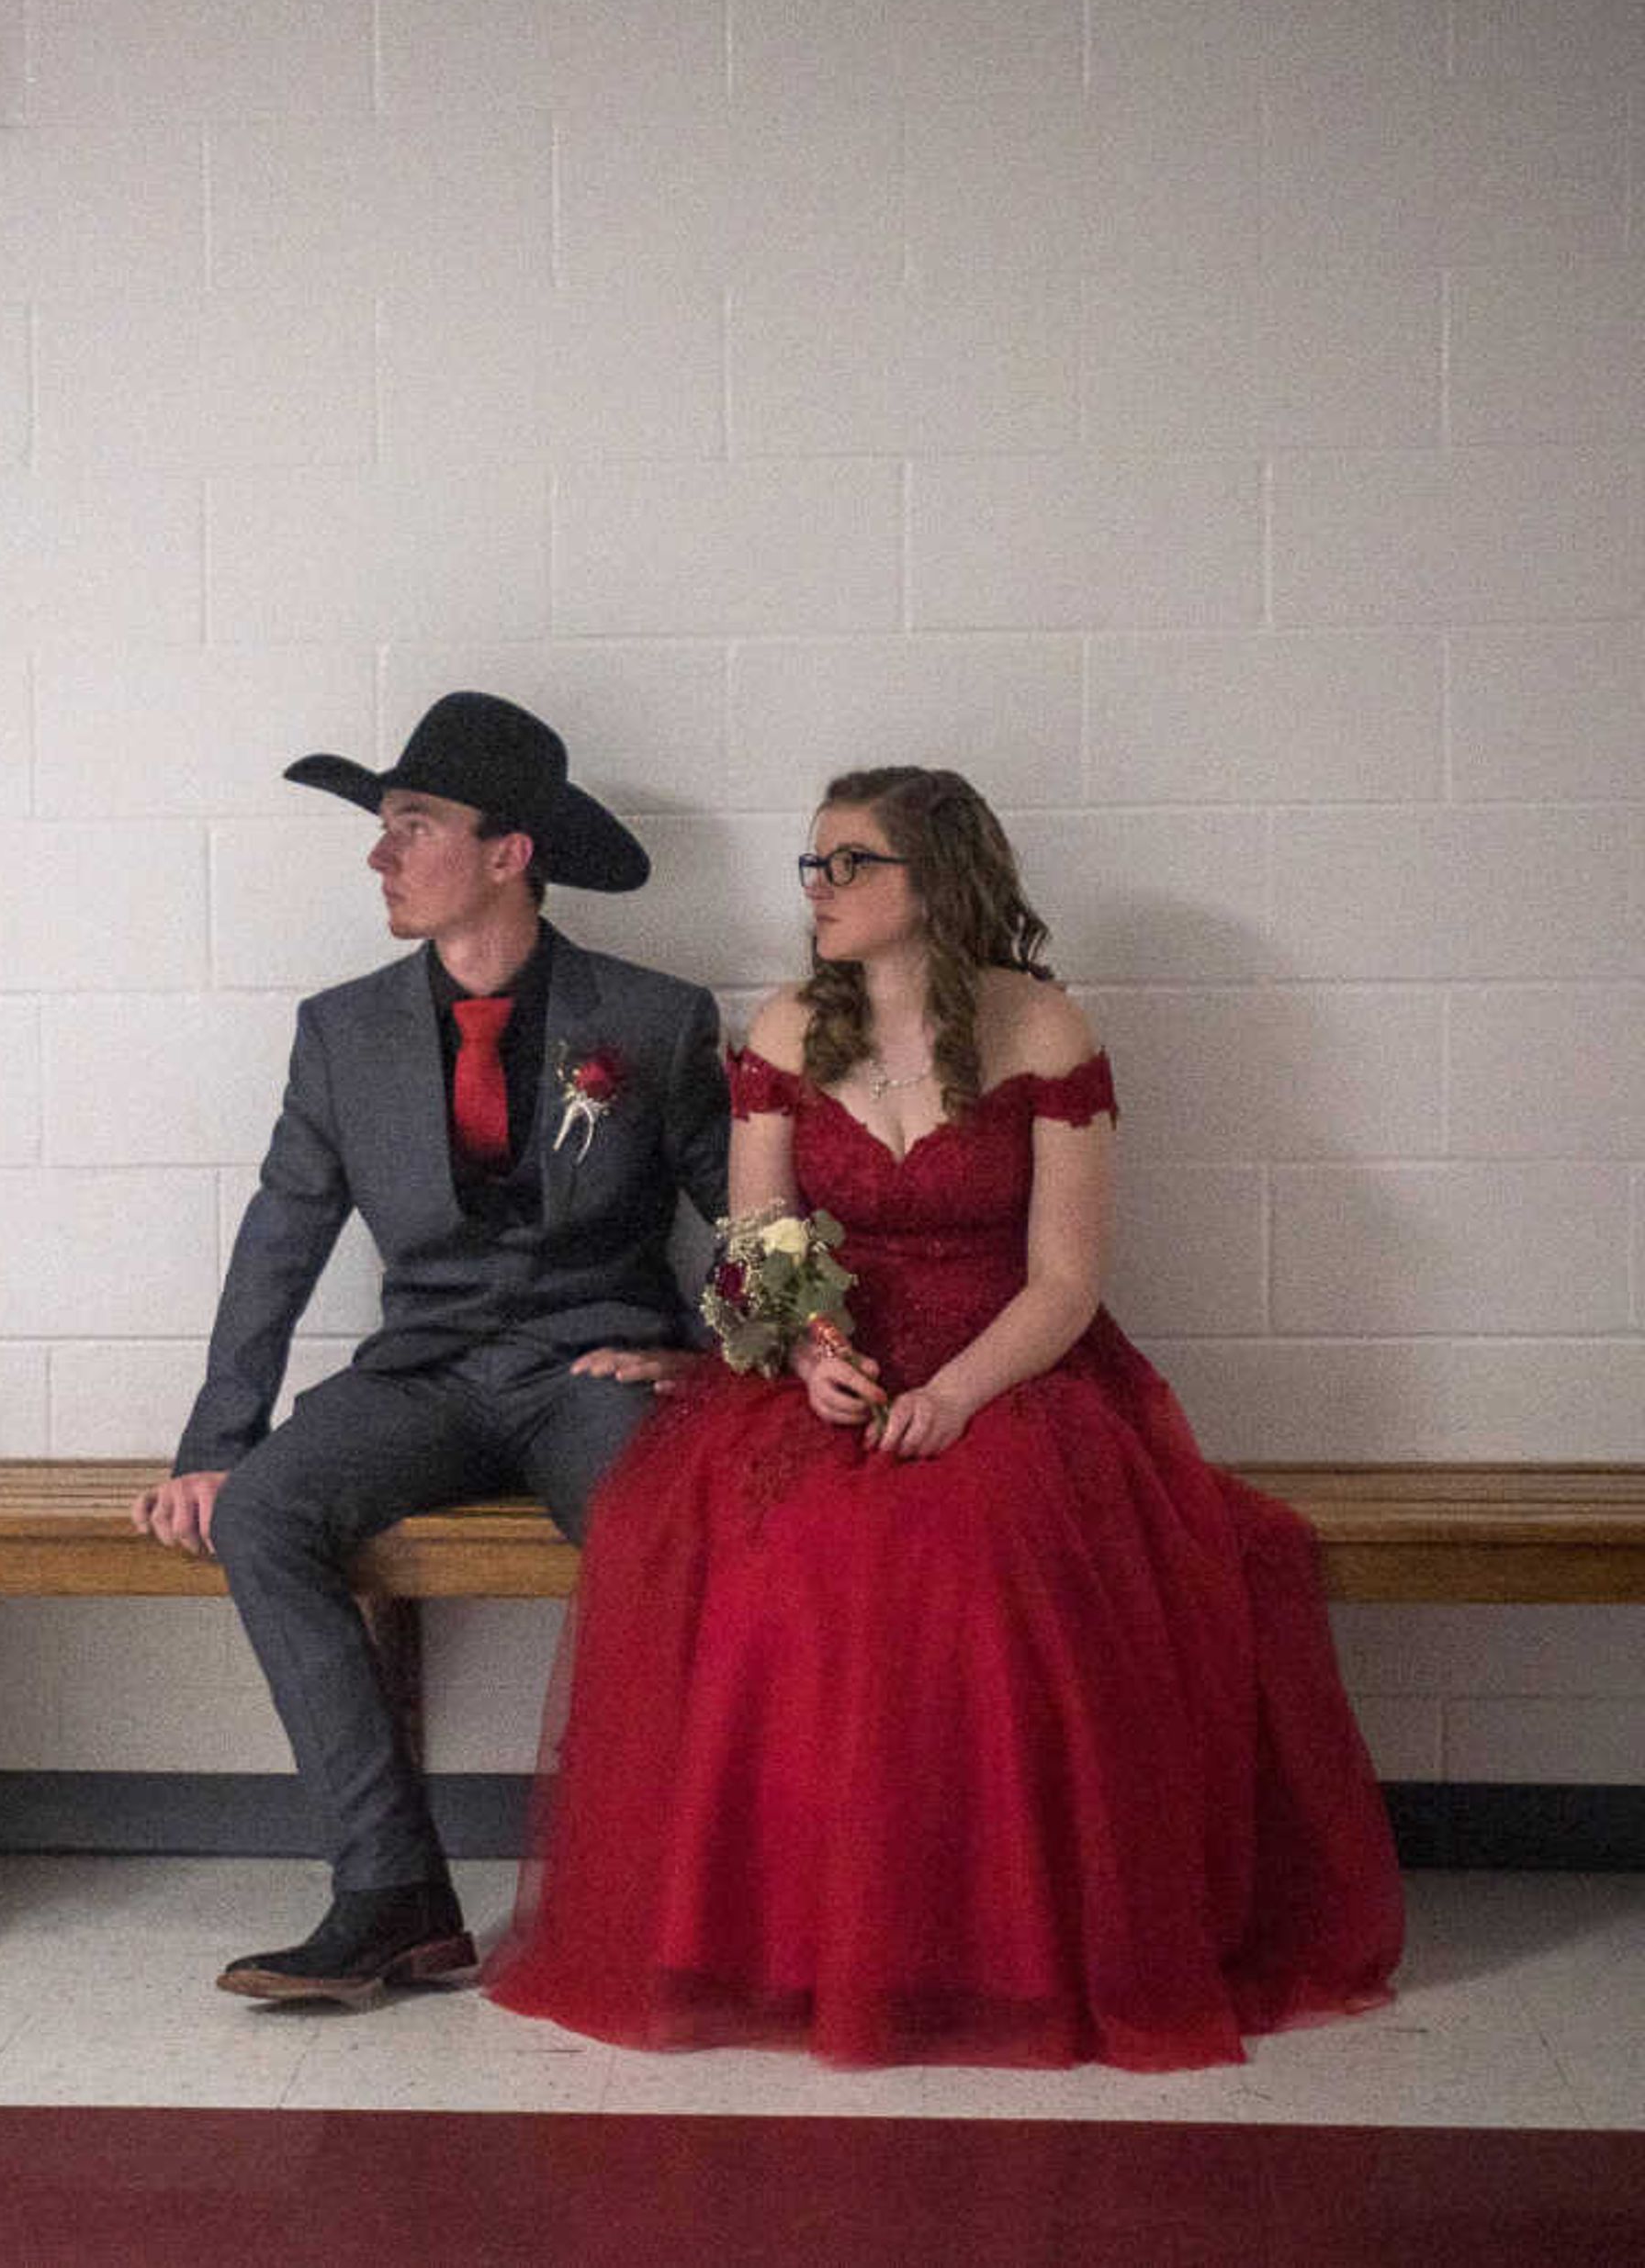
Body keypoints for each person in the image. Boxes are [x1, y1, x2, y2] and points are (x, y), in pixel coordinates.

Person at [480, 768, 1403, 2069]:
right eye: (811, 865)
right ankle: (780, 1937)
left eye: (849, 864)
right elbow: (751, 1244)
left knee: (978, 1560)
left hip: (1013, 1367)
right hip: (833, 1359)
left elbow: (1069, 1281)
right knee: (767, 1561)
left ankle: (984, 1948)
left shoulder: (1043, 1027)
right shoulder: (792, 1027)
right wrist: (808, 1352)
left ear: (936, 881)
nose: (819, 890)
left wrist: (960, 1391)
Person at [134, 691, 730, 2002]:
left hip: (595, 1365)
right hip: (428, 1372)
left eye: (413, 824)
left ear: (509, 853)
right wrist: (217, 1447)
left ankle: (674, 1899)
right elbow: (280, 1238)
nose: (381, 854)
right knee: (267, 1514)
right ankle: (393, 1893)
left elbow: (752, 1214)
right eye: (384, 825)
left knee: (661, 1530)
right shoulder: (342, 1033)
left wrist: (712, 1360)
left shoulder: (653, 1018)